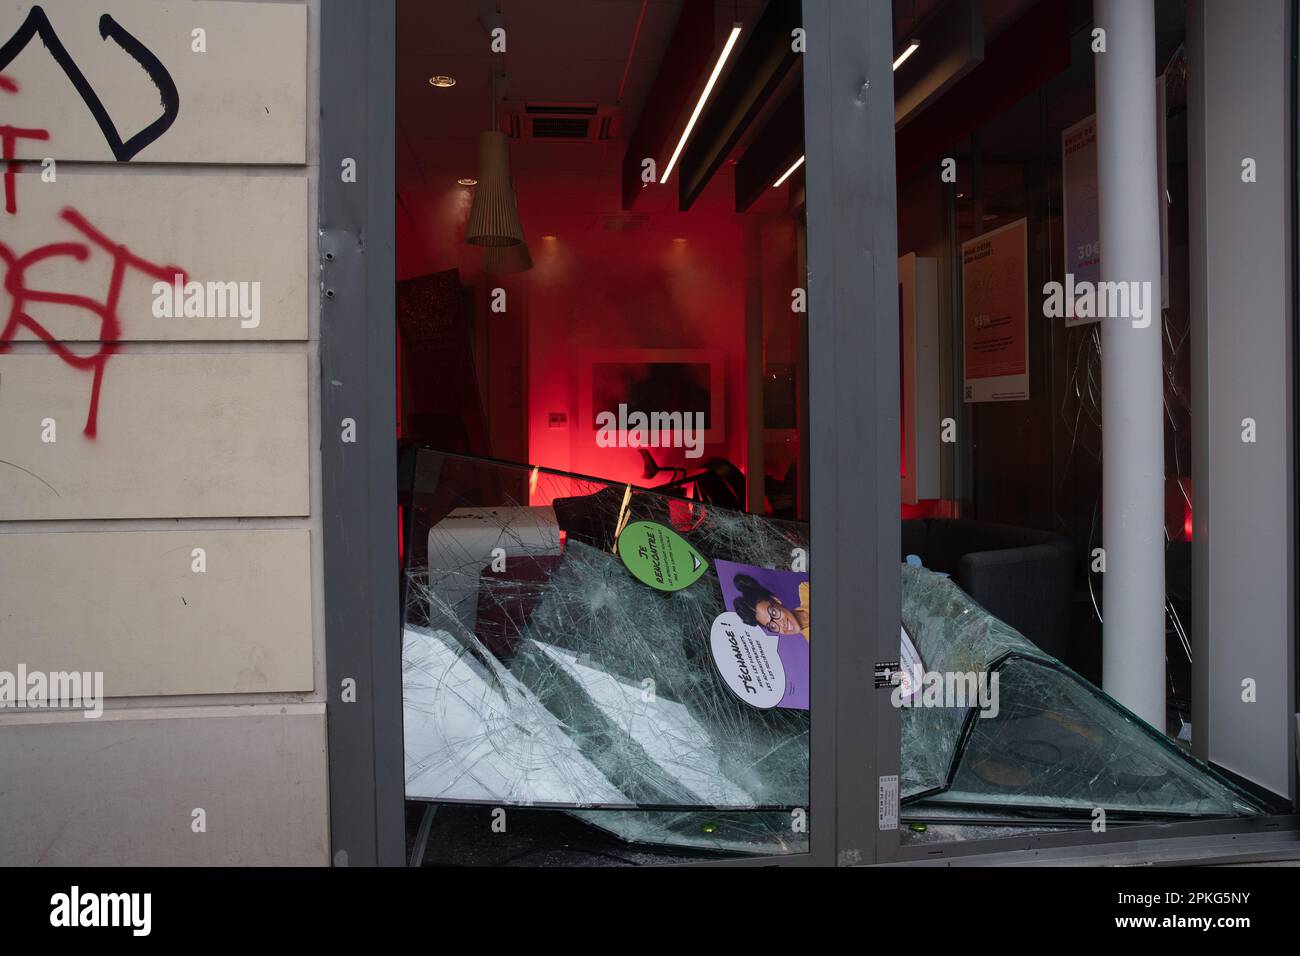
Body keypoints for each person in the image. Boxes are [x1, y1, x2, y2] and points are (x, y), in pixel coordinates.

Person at [733, 573, 809, 641]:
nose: (782, 625)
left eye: (773, 613)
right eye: (772, 626)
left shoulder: (806, 589)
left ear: (776, 600)